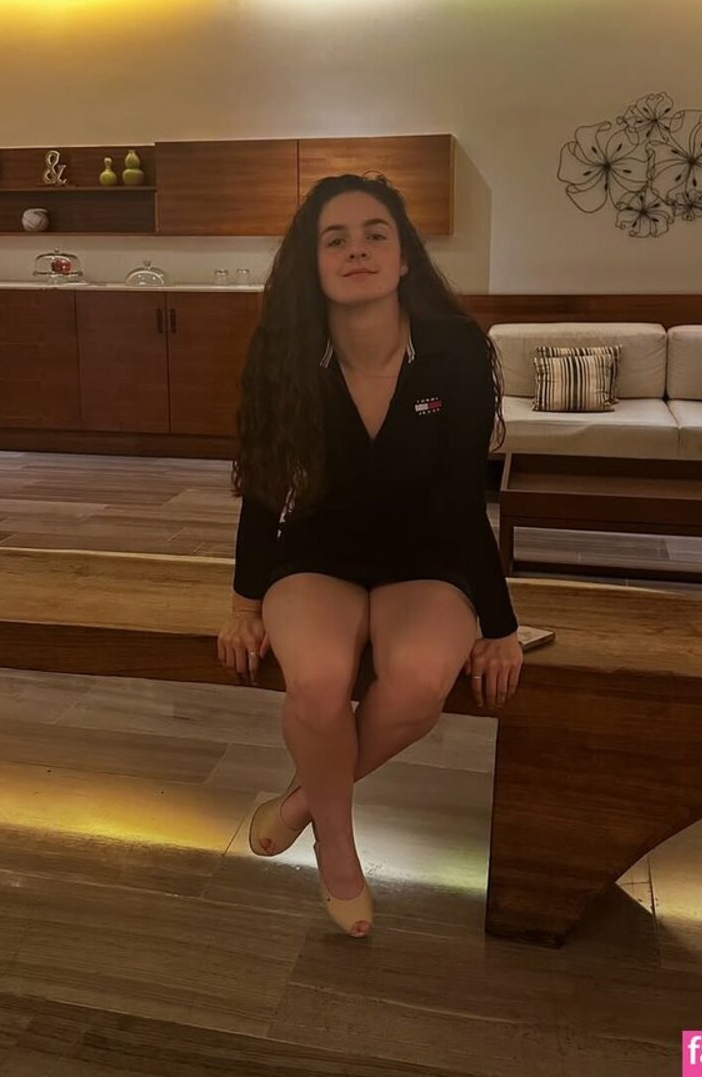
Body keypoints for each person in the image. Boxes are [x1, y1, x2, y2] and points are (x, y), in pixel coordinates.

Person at [216, 173, 524, 937]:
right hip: (318, 552)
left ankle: (303, 804)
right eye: (336, 239)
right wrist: (244, 603)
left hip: (427, 554)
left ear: (404, 255)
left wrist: (500, 626)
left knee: (417, 685)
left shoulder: (455, 349)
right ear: (312, 264)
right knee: (317, 684)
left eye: (375, 234)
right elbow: (264, 485)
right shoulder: (284, 350)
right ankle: (340, 849)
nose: (357, 250)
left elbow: (464, 499)